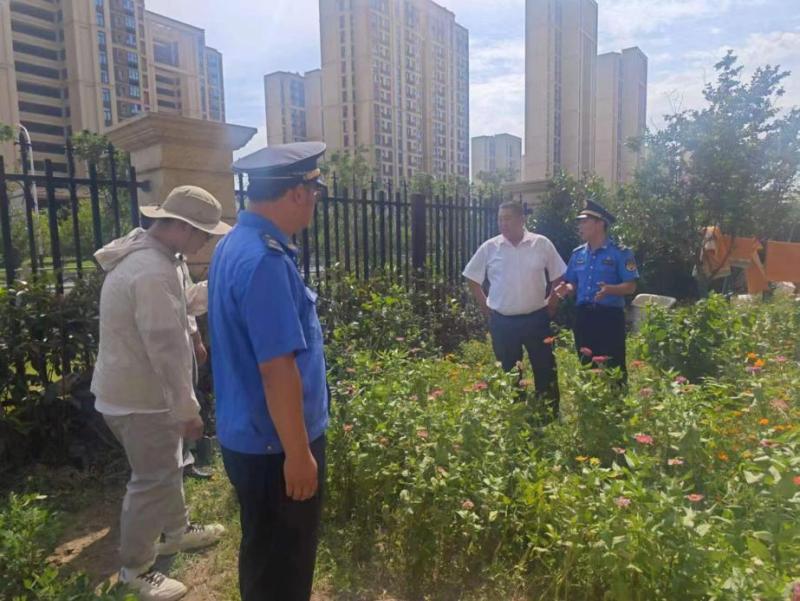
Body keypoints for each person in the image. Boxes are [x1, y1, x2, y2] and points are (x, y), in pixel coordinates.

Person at [91, 185, 228, 601]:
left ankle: (175, 531)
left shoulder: (162, 258)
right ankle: (135, 570)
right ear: (183, 228)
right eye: (204, 234)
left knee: (169, 465)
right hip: (141, 400)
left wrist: (218, 289)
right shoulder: (151, 271)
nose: (206, 242)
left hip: (137, 393)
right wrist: (187, 410)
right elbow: (165, 348)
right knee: (151, 481)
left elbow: (181, 304)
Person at [209, 141, 329, 601]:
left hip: (251, 436)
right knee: (285, 567)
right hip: (277, 445)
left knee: (263, 555)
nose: (315, 201)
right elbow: (277, 370)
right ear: (297, 192)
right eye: (314, 191)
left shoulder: (233, 245)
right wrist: (298, 455)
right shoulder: (265, 261)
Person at [463, 200, 566, 418]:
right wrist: (485, 306)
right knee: (509, 371)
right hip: (503, 322)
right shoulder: (490, 247)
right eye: (500, 219)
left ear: (521, 219)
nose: (503, 223)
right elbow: (472, 278)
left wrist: (552, 301)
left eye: (508, 218)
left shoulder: (541, 244)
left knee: (545, 367)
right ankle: (516, 414)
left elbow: (558, 275)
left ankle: (548, 413)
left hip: (536, 319)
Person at [552, 199, 639, 380]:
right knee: (587, 364)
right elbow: (573, 282)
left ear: (600, 224)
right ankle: (590, 396)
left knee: (614, 366)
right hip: (584, 316)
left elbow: (631, 286)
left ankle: (617, 398)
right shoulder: (578, 254)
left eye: (584, 221)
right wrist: (566, 288)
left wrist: (610, 289)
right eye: (579, 222)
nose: (580, 226)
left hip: (609, 317)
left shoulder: (620, 252)